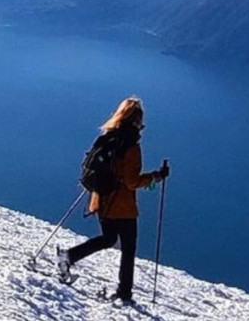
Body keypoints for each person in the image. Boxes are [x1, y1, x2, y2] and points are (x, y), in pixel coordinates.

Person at [58, 97, 169, 304]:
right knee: (128, 248)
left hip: (101, 198)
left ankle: (69, 256)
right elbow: (132, 182)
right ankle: (124, 293)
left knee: (108, 238)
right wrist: (156, 176)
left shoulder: (107, 137)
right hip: (123, 206)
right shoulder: (132, 147)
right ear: (136, 122)